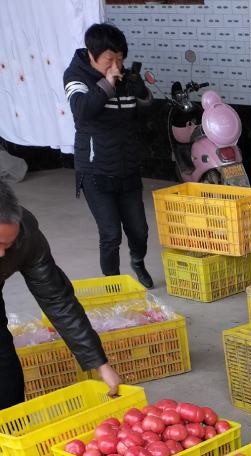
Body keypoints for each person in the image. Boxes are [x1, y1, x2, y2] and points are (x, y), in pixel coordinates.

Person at [0, 180, 121, 409]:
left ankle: (8, 430)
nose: (1, 253)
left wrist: (100, 364)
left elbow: (58, 300)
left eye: (8, 244)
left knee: (5, 371)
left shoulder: (28, 239)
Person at [64, 23, 154, 288]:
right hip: (95, 169)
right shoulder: (75, 76)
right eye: (109, 59)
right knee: (111, 233)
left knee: (139, 230)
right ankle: (112, 284)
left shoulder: (126, 76)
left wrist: (144, 94)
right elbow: (82, 111)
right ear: (92, 56)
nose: (116, 65)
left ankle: (137, 261)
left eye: (120, 58)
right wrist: (108, 82)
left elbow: (144, 114)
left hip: (127, 166)